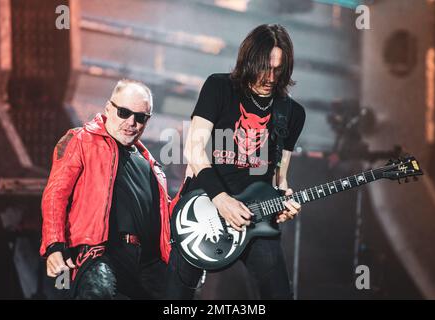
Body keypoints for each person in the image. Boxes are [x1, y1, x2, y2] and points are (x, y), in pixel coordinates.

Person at [165, 24, 305, 299]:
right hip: (202, 208)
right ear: (250, 60)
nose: (270, 76)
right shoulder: (219, 87)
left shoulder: (292, 112)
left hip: (254, 218)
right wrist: (221, 199)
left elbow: (280, 178)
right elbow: (194, 149)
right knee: (176, 298)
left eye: (278, 69)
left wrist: (284, 202)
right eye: (265, 67)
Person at [40, 79, 171, 299]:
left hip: (146, 261)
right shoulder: (82, 140)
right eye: (124, 112)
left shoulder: (150, 165)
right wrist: (54, 245)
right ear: (108, 108)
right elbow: (56, 194)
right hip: (99, 252)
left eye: (140, 117)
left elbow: (165, 215)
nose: (131, 122)